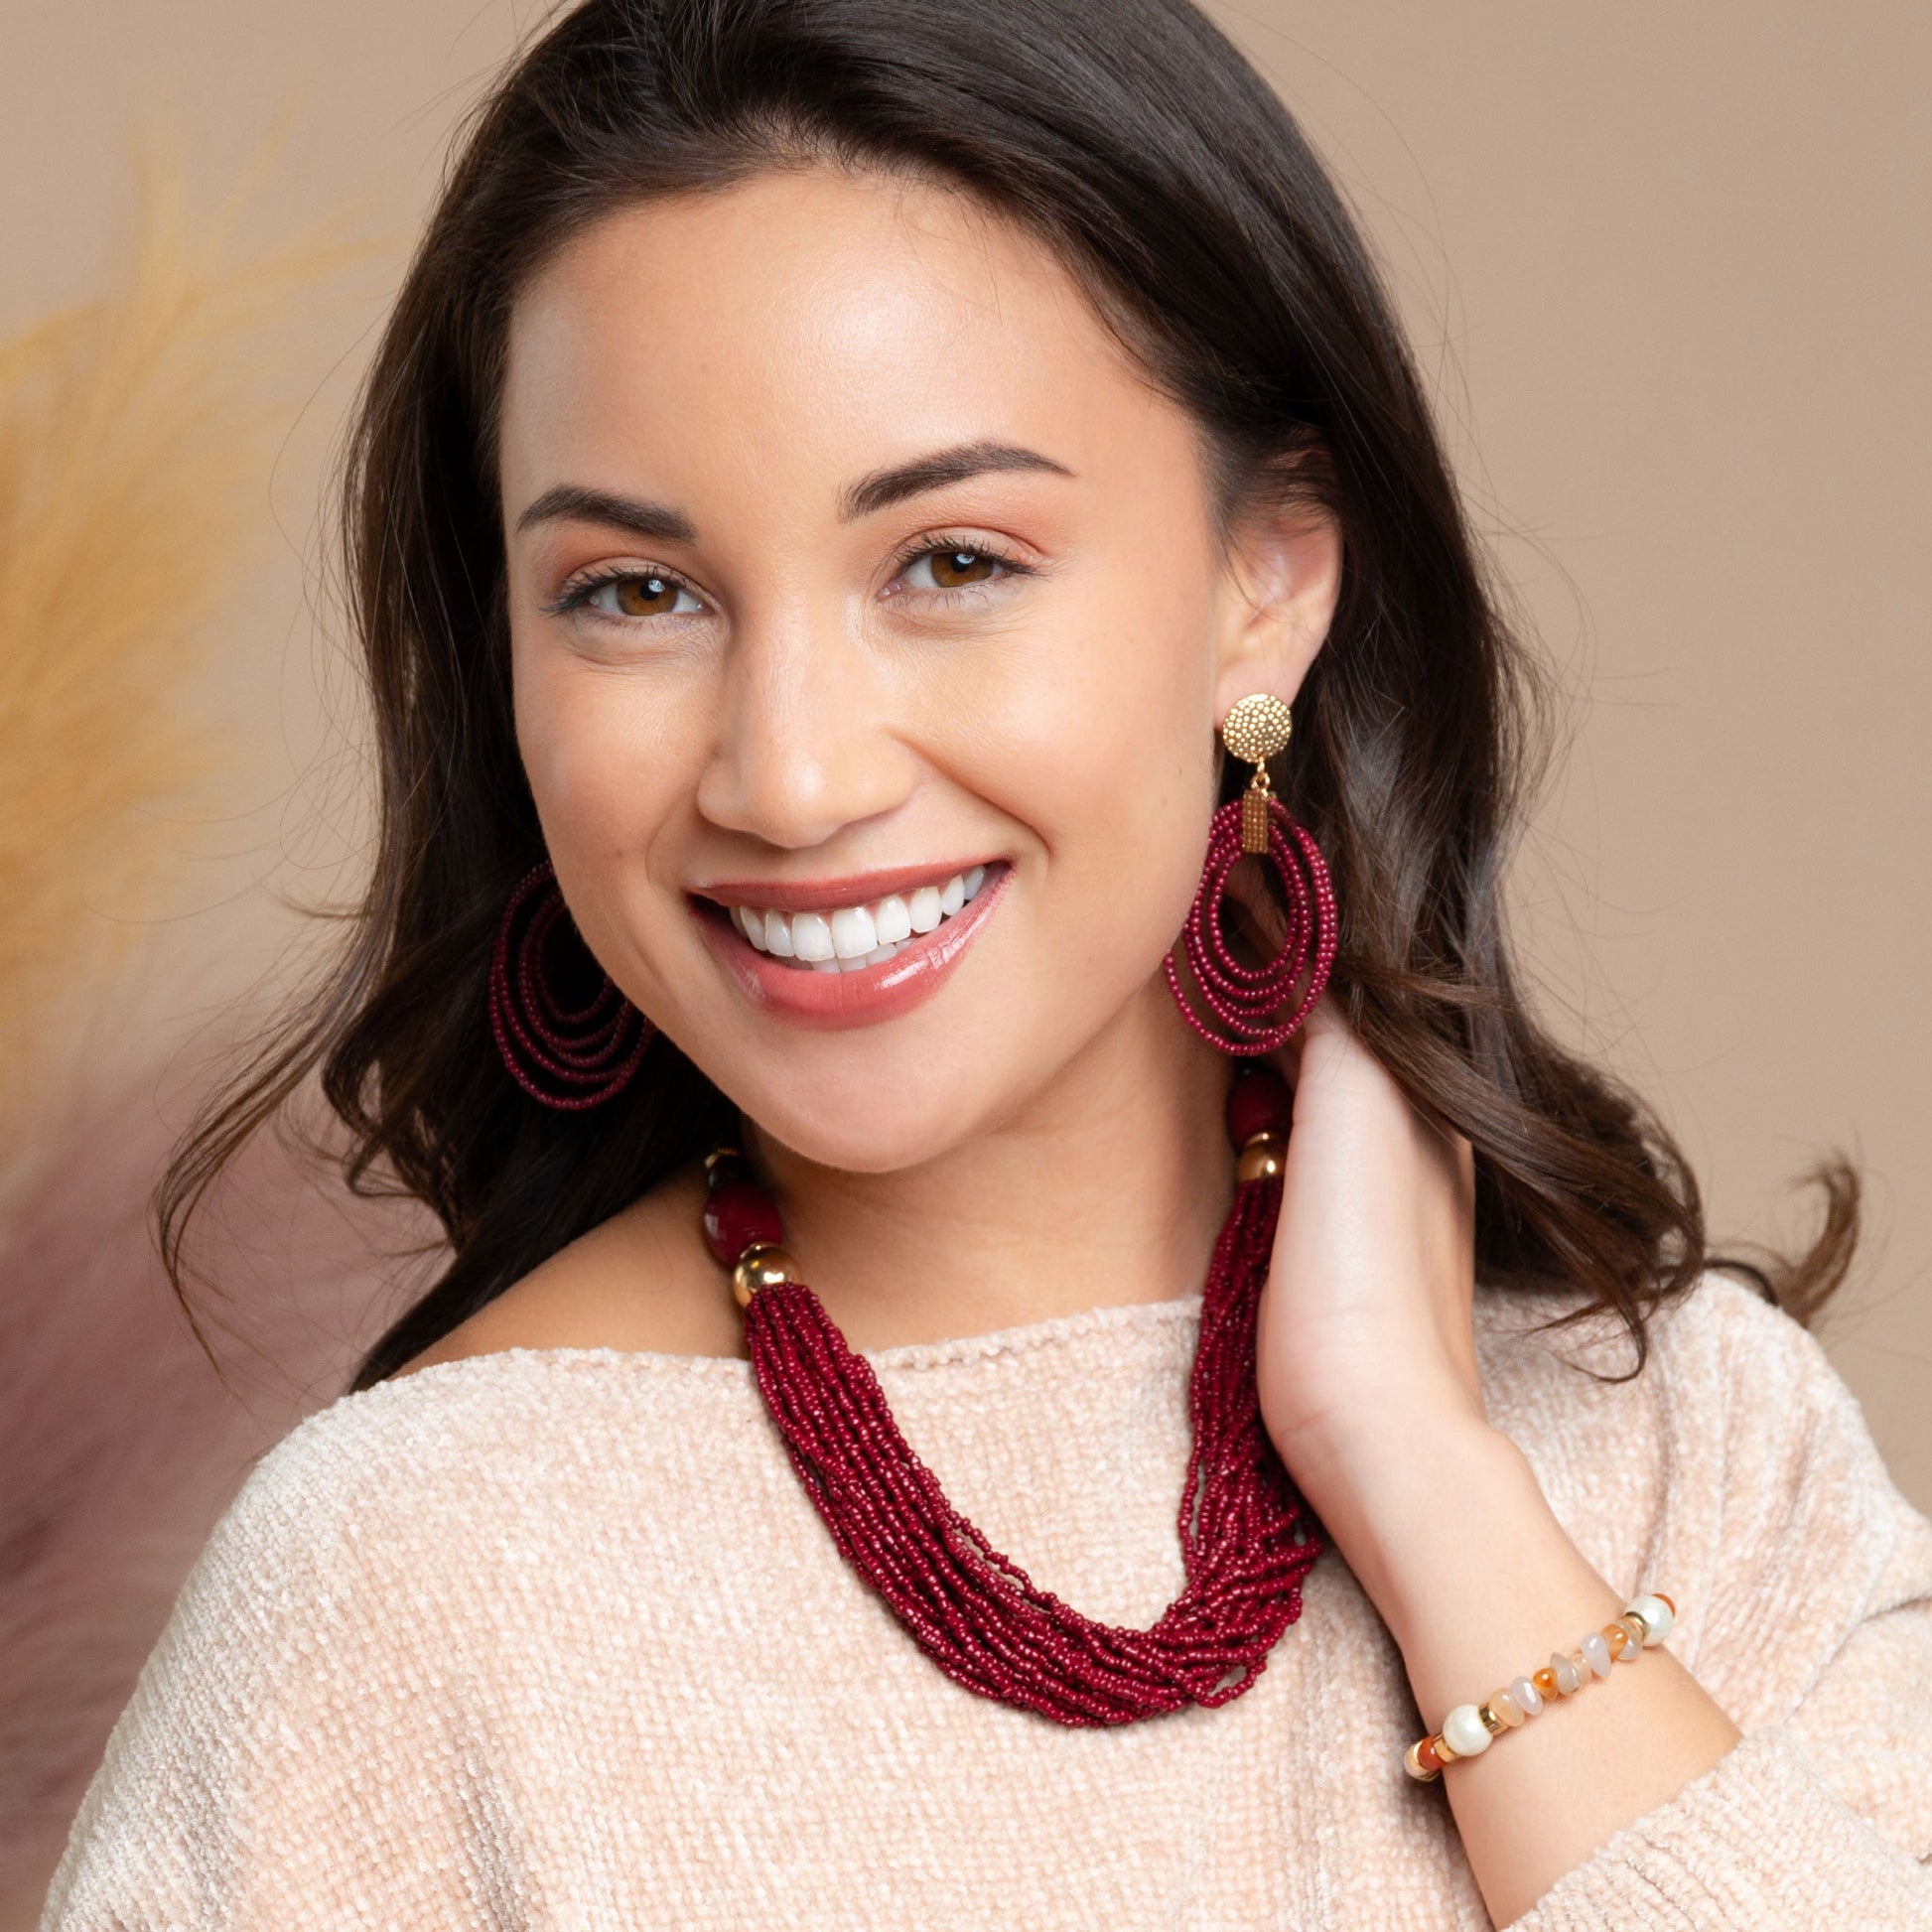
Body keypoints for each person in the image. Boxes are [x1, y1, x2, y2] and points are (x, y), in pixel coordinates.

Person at [39, 1, 1932, 1926]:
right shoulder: (402, 1590)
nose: (789, 776)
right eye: (636, 592)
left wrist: (1420, 1471)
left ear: (1268, 580)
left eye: (951, 560)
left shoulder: (1694, 1449)